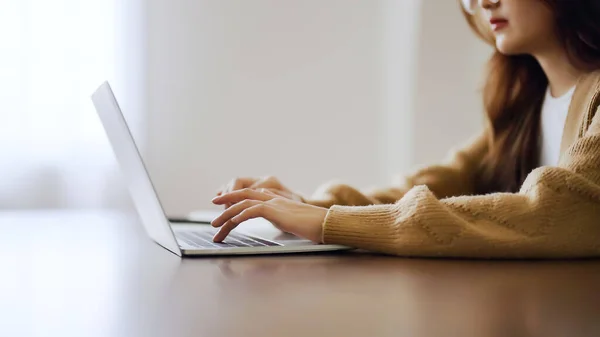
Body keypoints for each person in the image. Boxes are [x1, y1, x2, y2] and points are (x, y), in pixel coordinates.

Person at [210, 0, 600, 258]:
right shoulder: (526, 106)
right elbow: (442, 182)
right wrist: (309, 206)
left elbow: (558, 211)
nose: (484, 2)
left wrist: (332, 224)